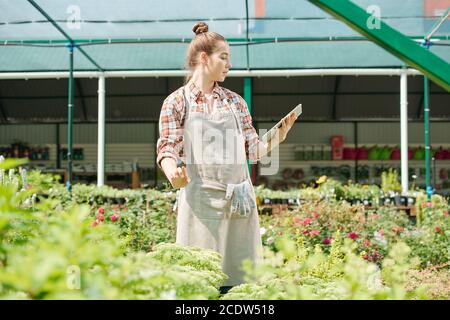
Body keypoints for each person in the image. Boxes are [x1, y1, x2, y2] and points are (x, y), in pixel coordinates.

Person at [156, 22, 297, 293]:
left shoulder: (235, 102)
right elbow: (167, 147)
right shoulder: (176, 102)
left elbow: (253, 151)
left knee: (240, 283)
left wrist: (278, 135)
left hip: (238, 202)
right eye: (224, 57)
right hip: (201, 202)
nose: (229, 64)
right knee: (198, 282)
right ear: (203, 58)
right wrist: (172, 171)